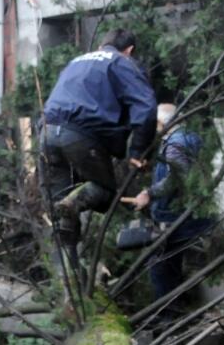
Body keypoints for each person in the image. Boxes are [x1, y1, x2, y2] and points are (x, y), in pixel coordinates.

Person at [40, 29, 157, 262]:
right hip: (80, 134)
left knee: (62, 214)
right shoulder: (120, 61)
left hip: (46, 133)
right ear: (130, 50)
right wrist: (137, 152)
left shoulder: (76, 62)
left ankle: (67, 278)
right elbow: (146, 107)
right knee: (103, 192)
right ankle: (72, 203)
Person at [126, 103, 214, 303]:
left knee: (160, 268)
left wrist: (148, 193)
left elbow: (177, 179)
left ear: (159, 122)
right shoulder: (191, 137)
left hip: (174, 219)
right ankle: (176, 311)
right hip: (190, 215)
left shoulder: (175, 144)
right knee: (172, 267)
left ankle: (167, 317)